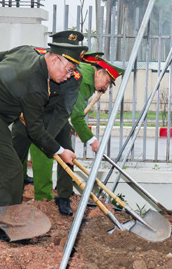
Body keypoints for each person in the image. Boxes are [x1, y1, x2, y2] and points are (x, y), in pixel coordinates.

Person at [0, 38, 85, 240]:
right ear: (56, 59)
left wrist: (3, 89)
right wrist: (60, 151)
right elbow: (36, 131)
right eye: (68, 70)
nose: (68, 76)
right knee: (12, 170)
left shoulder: (27, 51)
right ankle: (4, 229)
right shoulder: (36, 86)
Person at [10, 30, 88, 216]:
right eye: (68, 64)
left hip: (54, 117)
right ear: (55, 55)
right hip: (27, 113)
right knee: (14, 152)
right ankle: (6, 191)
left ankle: (63, 196)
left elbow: (64, 110)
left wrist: (46, 139)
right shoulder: (33, 60)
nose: (71, 71)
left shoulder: (74, 77)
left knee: (66, 153)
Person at [50, 51, 124, 206]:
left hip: (58, 114)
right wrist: (93, 141)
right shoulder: (83, 80)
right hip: (46, 112)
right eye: (107, 81)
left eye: (109, 84)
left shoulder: (89, 79)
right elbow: (77, 116)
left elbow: (72, 108)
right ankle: (47, 196)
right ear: (99, 72)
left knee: (67, 154)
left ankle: (64, 194)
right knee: (46, 152)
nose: (106, 86)